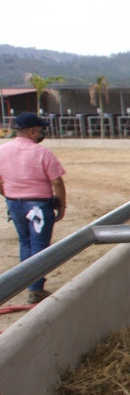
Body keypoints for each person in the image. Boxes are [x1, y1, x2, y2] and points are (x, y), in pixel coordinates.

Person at [0, 112, 67, 303]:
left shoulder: (2, 151)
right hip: (38, 205)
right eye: (39, 130)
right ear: (31, 131)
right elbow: (56, 182)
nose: (41, 134)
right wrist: (61, 204)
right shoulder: (42, 152)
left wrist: (9, 194)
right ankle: (35, 289)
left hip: (15, 203)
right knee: (39, 246)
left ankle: (28, 283)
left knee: (25, 243)